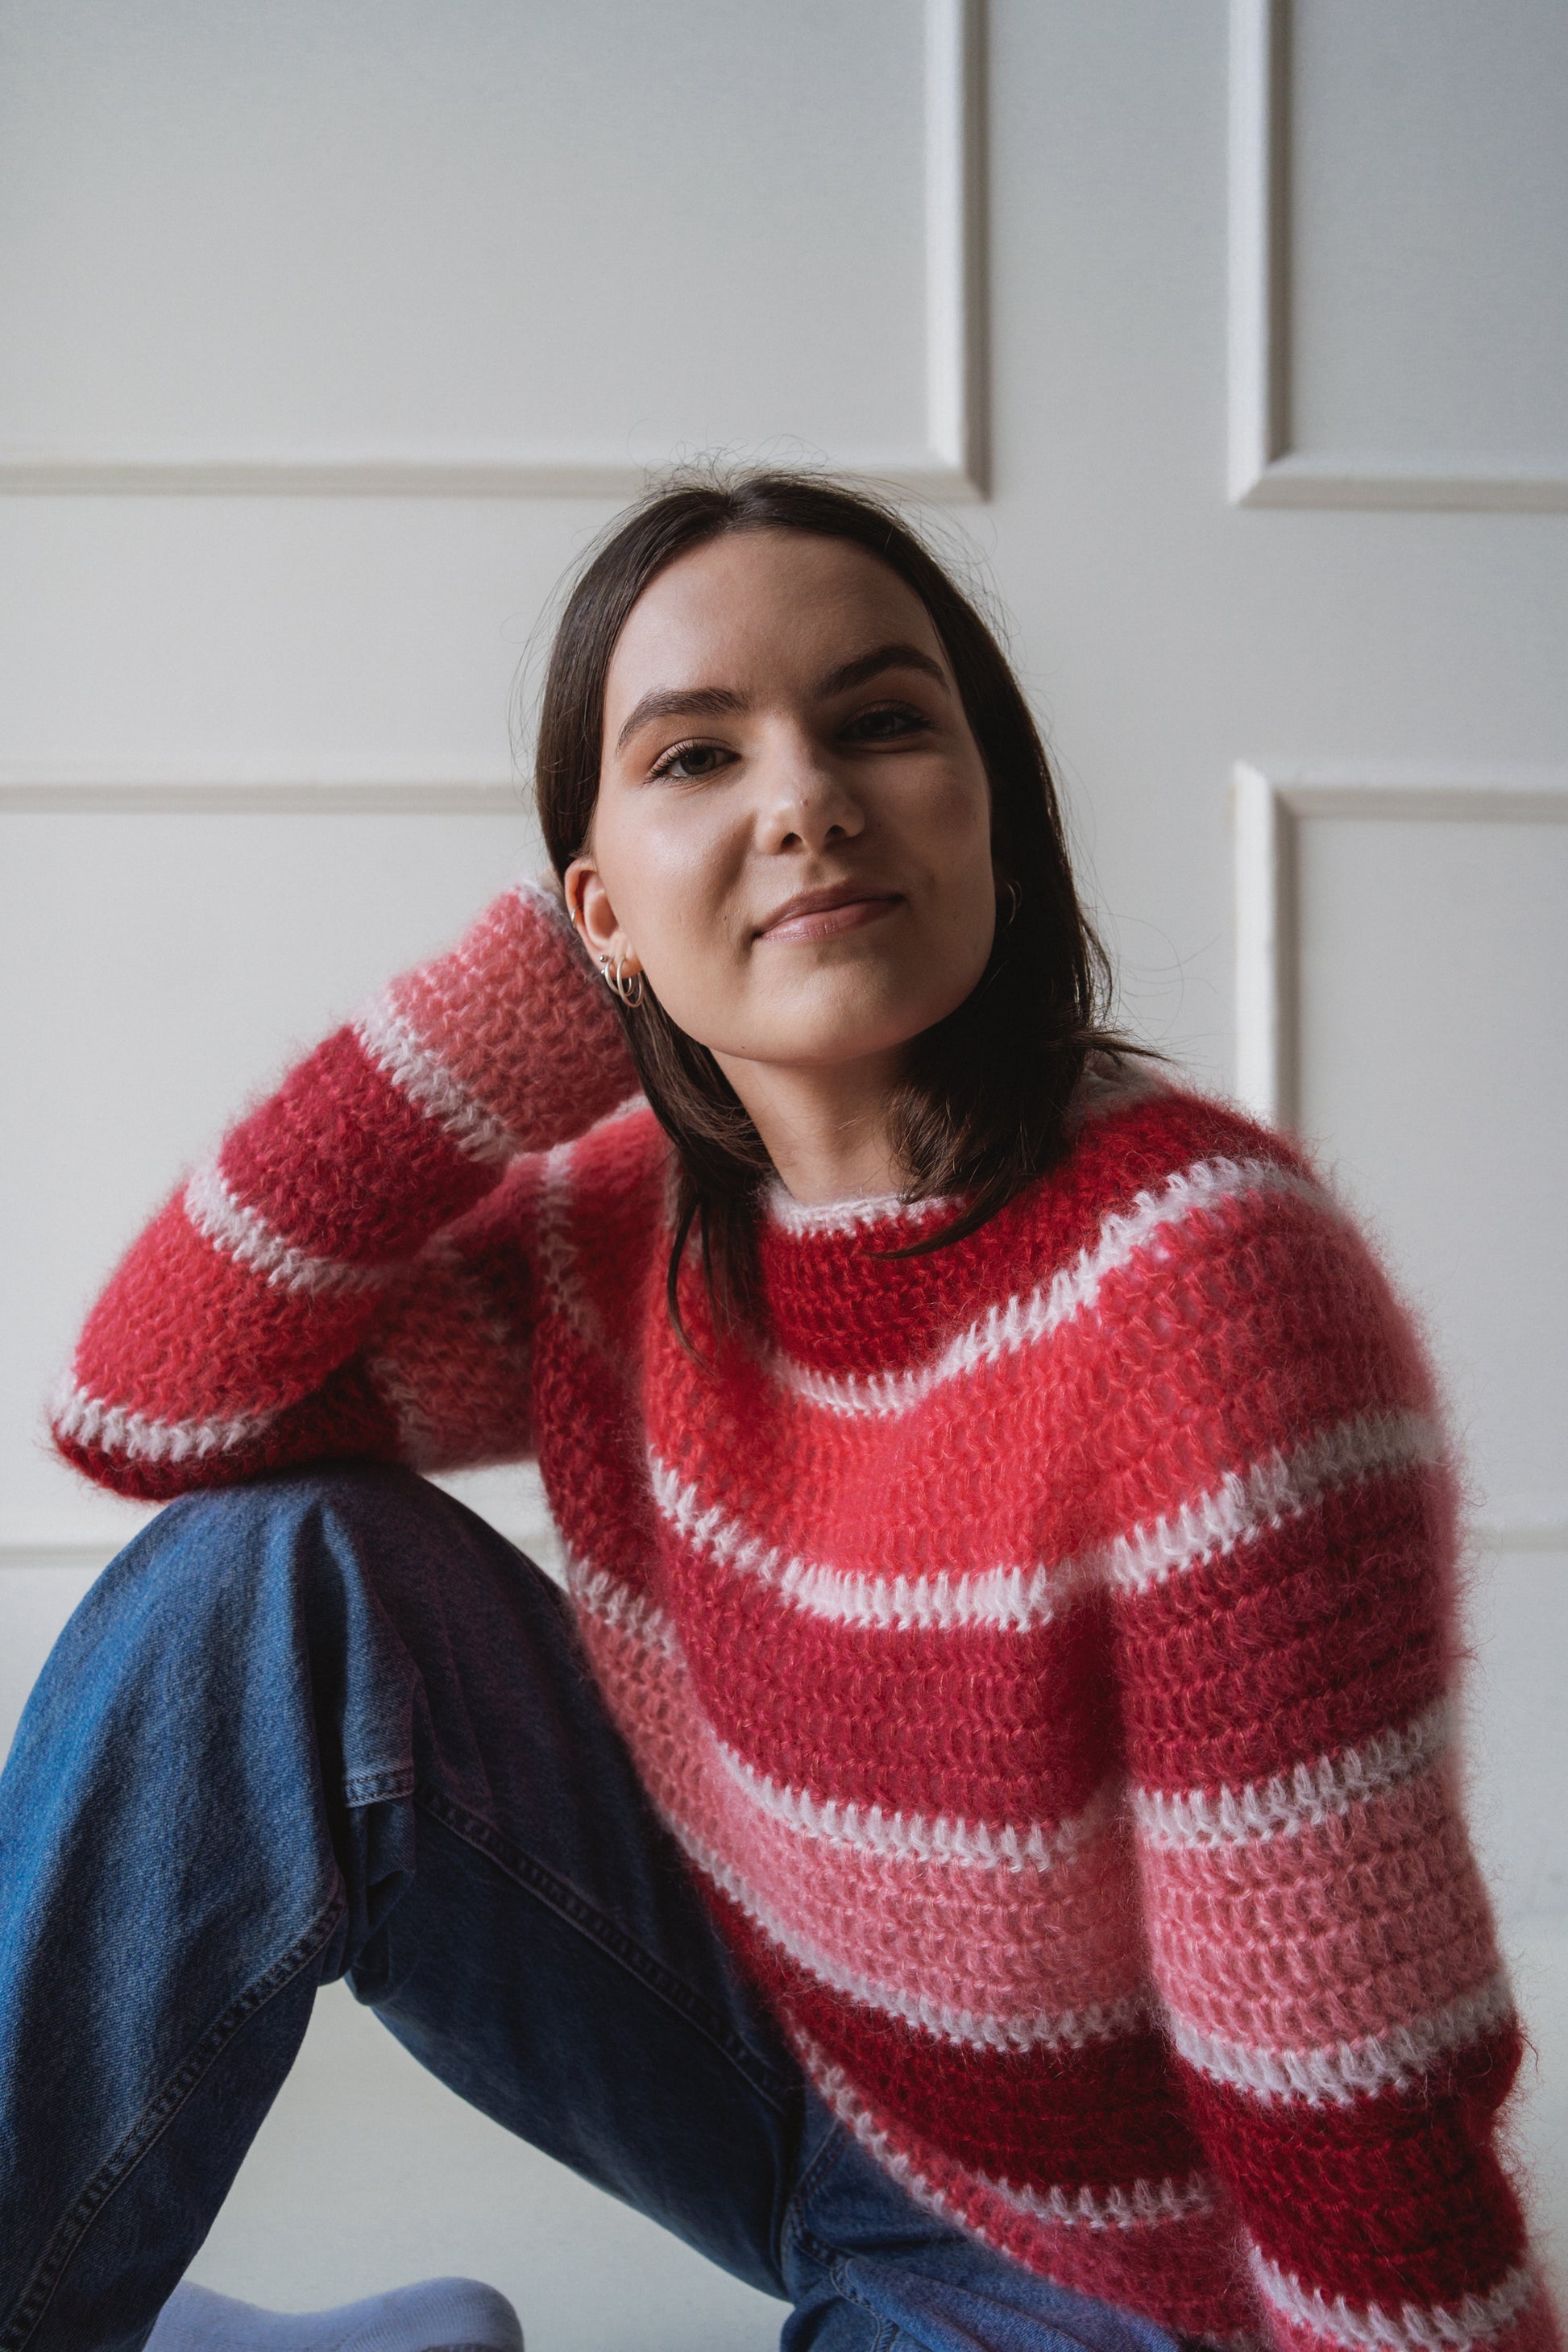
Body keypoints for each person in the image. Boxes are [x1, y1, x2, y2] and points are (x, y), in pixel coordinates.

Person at [0, 471, 1554, 2352]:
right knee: (271, 1569)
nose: (804, 796)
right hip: (783, 2049)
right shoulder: (635, 1235)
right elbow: (146, 1405)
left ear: (996, 810)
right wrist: (529, 1010)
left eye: (882, 722)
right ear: (596, 910)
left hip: (1119, 2263)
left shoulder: (1204, 1290)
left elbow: (1341, 2061)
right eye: (694, 758)